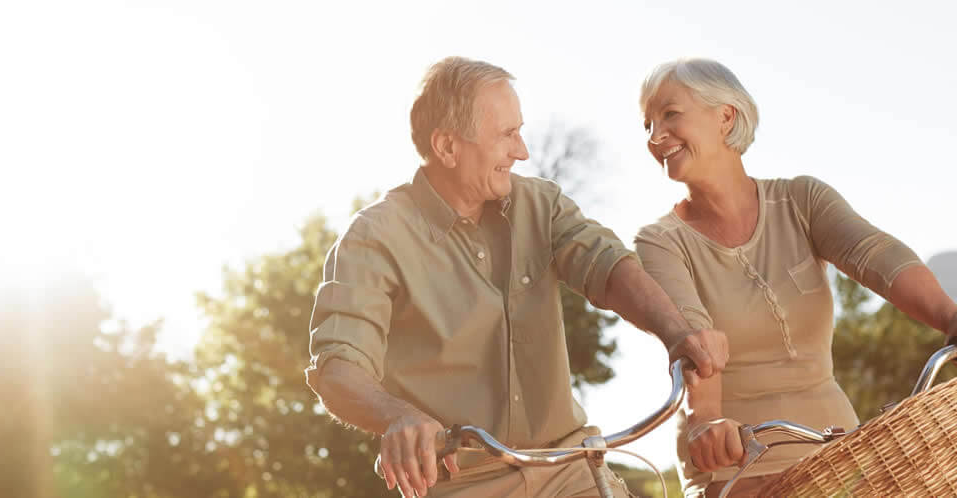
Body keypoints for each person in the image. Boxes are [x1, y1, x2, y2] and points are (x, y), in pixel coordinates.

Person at [304, 56, 731, 498]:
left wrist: (676, 331)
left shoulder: (539, 205)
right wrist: (396, 414)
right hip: (462, 484)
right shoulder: (374, 238)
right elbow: (339, 365)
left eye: (520, 132)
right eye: (507, 135)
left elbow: (605, 265)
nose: (522, 151)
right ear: (448, 147)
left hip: (569, 466)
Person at [633, 58, 957, 497]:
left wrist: (952, 316)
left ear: (725, 116)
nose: (655, 136)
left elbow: (877, 255)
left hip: (836, 450)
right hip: (733, 462)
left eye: (670, 115)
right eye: (647, 124)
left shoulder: (801, 201)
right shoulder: (660, 241)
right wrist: (708, 420)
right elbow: (692, 334)